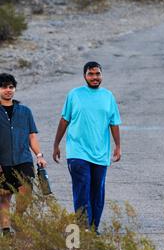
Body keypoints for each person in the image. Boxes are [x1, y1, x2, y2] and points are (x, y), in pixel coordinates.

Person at [53, 62, 121, 233]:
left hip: (100, 153)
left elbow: (114, 123)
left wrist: (118, 146)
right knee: (82, 188)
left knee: (97, 192)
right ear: (84, 76)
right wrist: (56, 144)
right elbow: (64, 120)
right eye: (91, 74)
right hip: (77, 152)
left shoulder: (108, 96)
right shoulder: (75, 95)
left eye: (97, 74)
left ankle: (94, 227)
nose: (95, 77)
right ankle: (84, 228)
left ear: (101, 75)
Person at [0, 73, 47, 236]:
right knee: (4, 196)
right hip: (2, 161)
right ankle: (6, 232)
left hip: (23, 159)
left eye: (11, 87)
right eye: (4, 87)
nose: (8, 90)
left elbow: (32, 136)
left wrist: (39, 155)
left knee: (26, 191)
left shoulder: (25, 111)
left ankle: (17, 218)